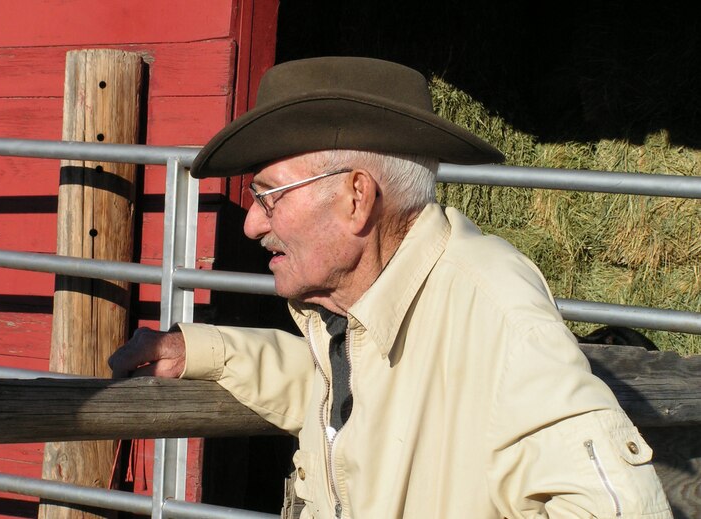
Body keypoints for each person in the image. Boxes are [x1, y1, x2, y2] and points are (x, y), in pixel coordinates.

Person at [109, 57, 671, 518]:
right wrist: (204, 352)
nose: (253, 224)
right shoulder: (358, 310)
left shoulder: (493, 303)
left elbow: (624, 508)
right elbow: (355, 389)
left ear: (357, 198)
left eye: (269, 194)